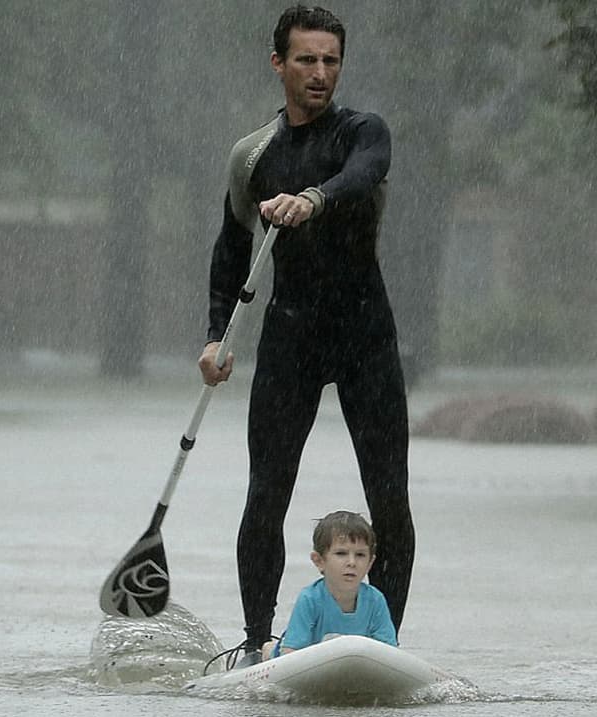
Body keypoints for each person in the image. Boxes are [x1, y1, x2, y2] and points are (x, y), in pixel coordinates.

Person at [198, 5, 414, 666]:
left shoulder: (362, 133)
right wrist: (215, 337)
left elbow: (363, 173)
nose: (321, 73)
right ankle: (257, 643)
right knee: (266, 493)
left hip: (365, 334)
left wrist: (313, 198)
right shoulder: (253, 156)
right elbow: (231, 250)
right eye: (306, 60)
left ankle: (381, 646)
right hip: (291, 336)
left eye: (331, 61)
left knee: (389, 499)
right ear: (278, 64)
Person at [263, 511, 396, 659]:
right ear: (319, 561)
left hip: (353, 662)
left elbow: (390, 651)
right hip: (308, 656)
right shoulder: (310, 599)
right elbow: (290, 654)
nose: (351, 562)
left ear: (370, 563)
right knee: (278, 650)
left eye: (360, 555)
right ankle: (269, 649)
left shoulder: (375, 601)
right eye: (341, 553)